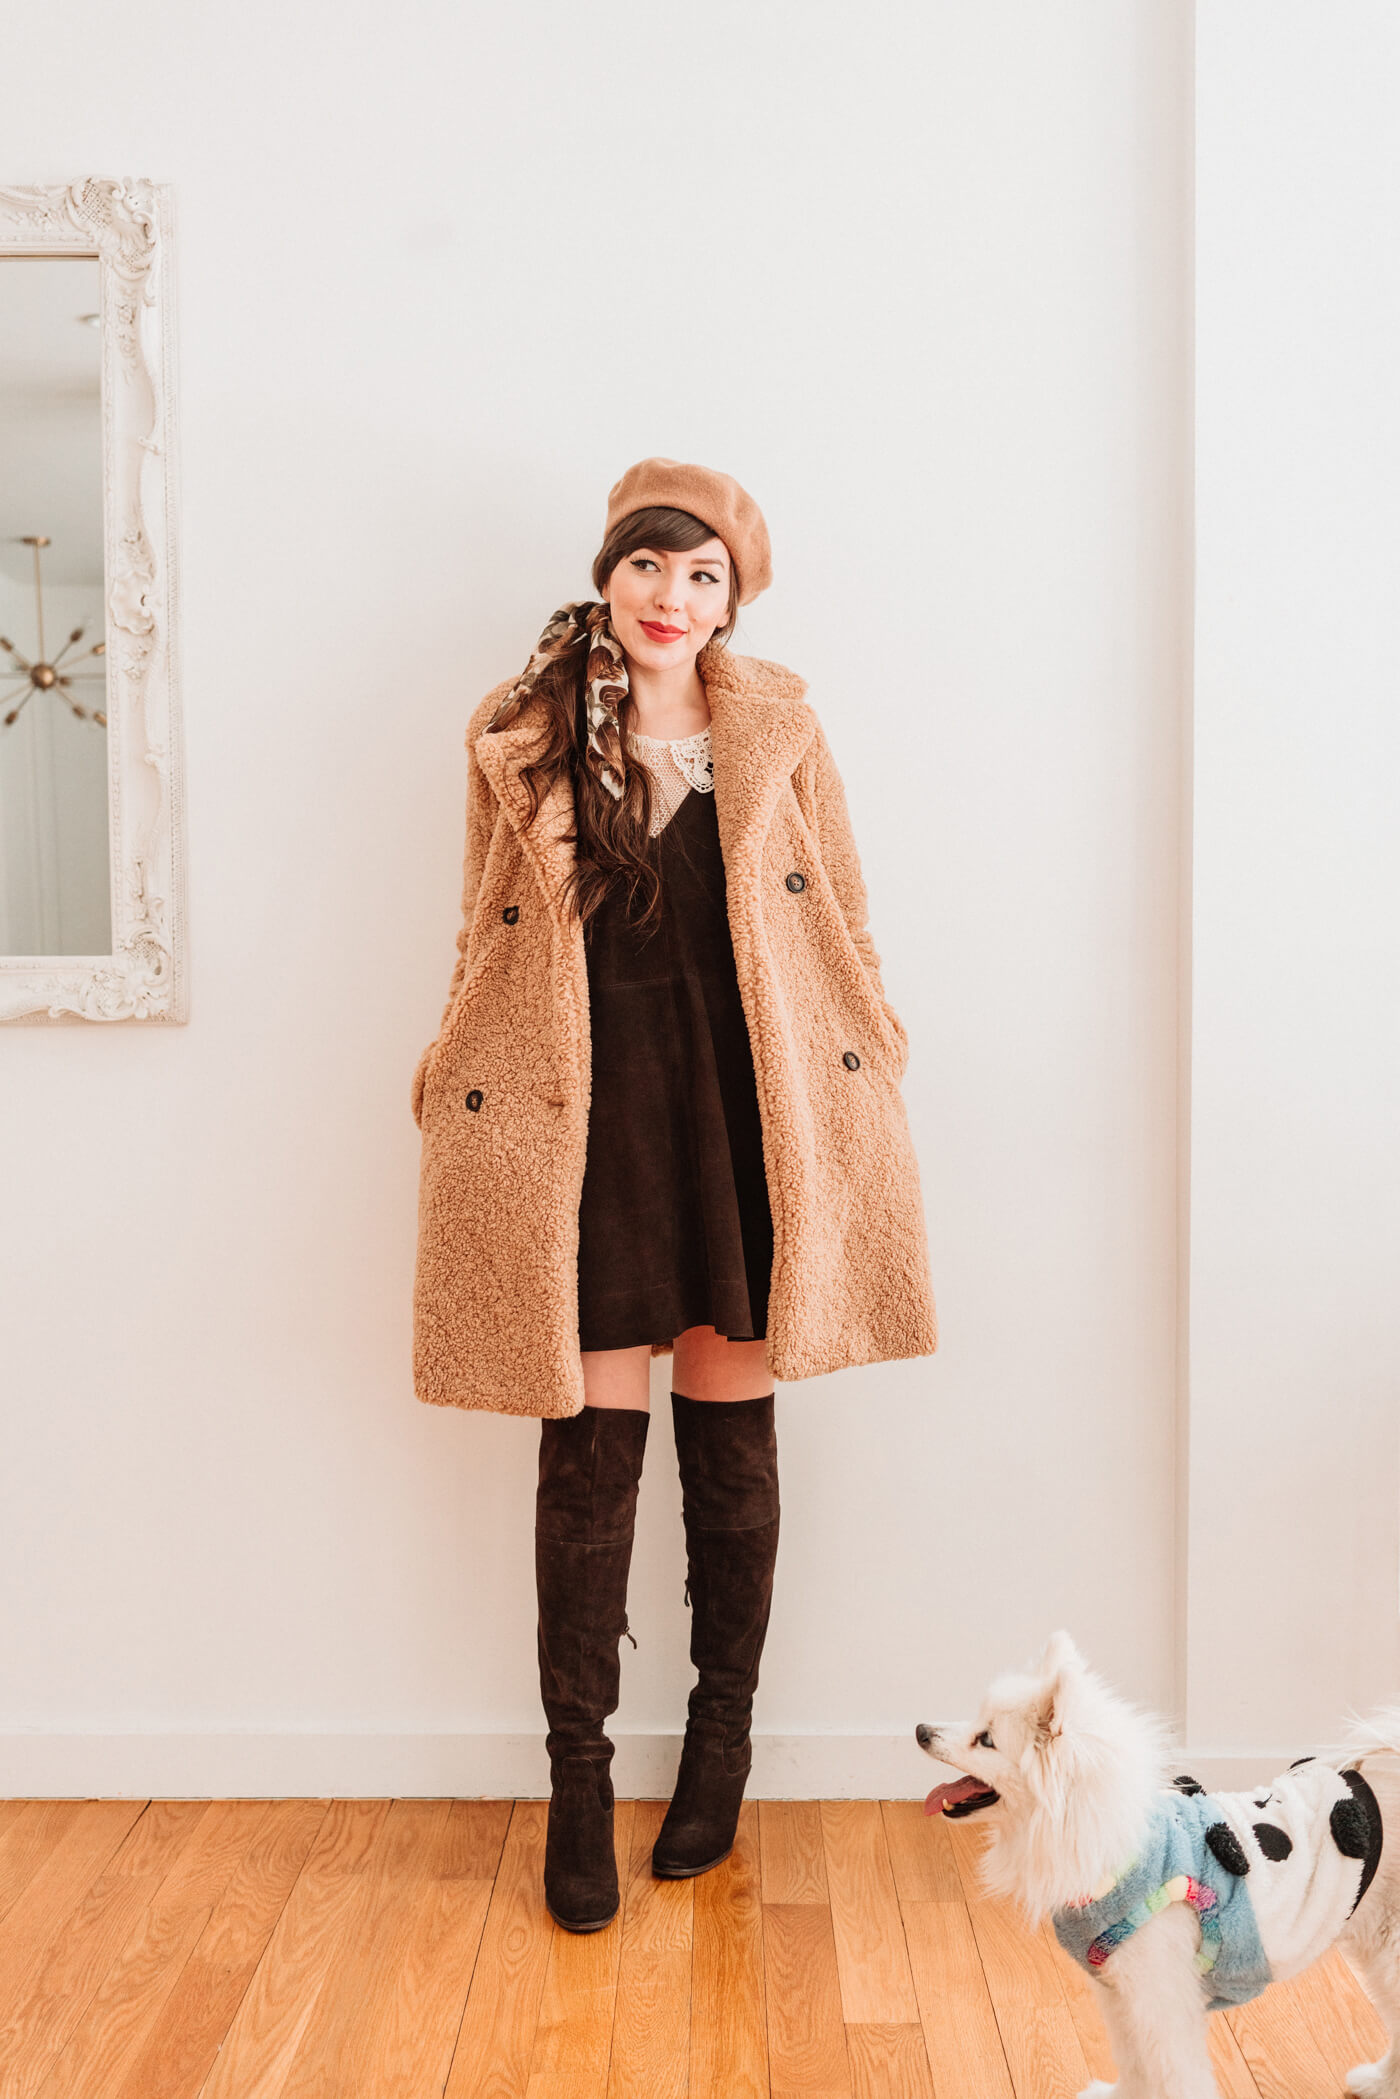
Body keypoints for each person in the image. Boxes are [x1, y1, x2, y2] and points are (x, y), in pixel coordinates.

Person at [410, 456, 937, 1932]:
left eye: (703, 577)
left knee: (733, 1447)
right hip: (581, 1122)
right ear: (609, 573)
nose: (670, 596)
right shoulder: (522, 739)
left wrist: (874, 1041)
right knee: (585, 1466)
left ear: (729, 606)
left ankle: (720, 1745)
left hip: (749, 1114)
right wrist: (450, 1063)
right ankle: (577, 1784)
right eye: (651, 565)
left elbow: (844, 908)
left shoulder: (779, 735)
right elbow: (481, 927)